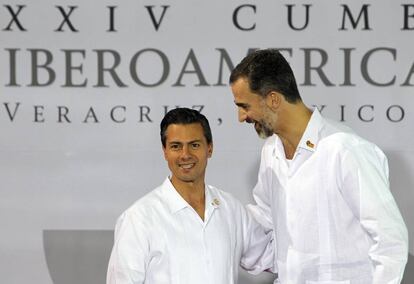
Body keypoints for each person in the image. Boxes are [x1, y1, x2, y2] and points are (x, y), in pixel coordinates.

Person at [229, 49, 408, 283]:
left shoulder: (344, 150)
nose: (241, 117)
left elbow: (390, 241)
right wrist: (222, 224)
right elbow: (265, 226)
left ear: (273, 99)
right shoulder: (271, 152)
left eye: (244, 106)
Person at [106, 107, 274, 284]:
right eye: (176, 146)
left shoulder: (231, 209)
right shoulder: (138, 219)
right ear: (165, 151)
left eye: (194, 145)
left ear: (210, 148)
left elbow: (269, 256)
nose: (185, 155)